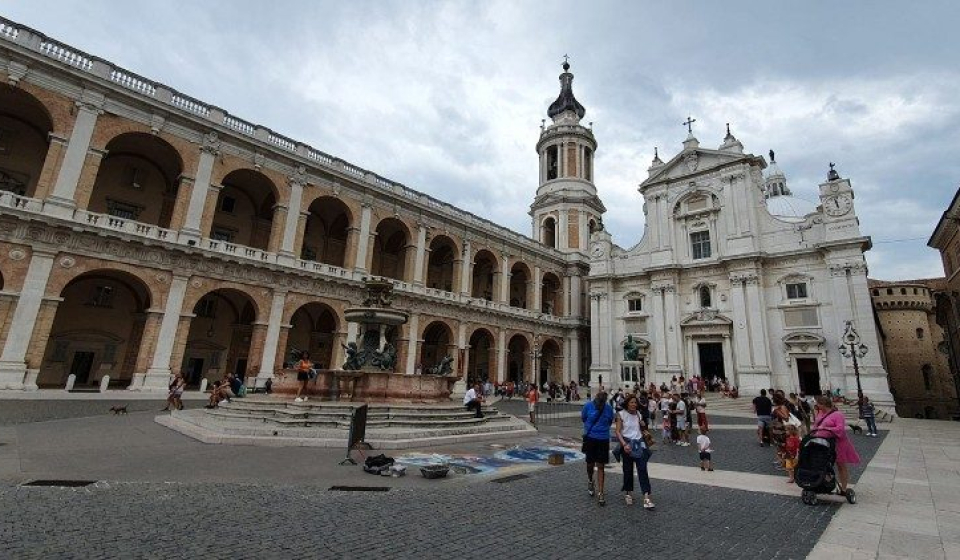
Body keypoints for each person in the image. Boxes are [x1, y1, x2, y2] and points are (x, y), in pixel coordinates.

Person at [813, 396, 860, 495]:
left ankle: (843, 488)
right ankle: (827, 484)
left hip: (838, 443)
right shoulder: (820, 413)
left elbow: (841, 429)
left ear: (823, 404)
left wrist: (826, 428)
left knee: (841, 465)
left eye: (818, 403)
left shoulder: (838, 415)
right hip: (823, 443)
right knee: (823, 465)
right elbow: (816, 425)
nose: (816, 405)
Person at [614, 395, 655, 509]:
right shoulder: (621, 414)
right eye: (631, 402)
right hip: (627, 443)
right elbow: (617, 432)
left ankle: (647, 496)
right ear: (627, 403)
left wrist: (643, 426)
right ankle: (628, 492)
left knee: (642, 469)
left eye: (635, 403)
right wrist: (624, 444)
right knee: (628, 470)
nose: (634, 405)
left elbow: (640, 429)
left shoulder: (638, 414)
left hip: (639, 443)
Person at [581, 391, 615, 506]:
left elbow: (610, 422)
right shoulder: (588, 406)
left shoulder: (609, 409)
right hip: (590, 438)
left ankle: (601, 492)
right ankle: (590, 480)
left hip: (603, 439)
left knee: (601, 466)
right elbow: (584, 418)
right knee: (590, 464)